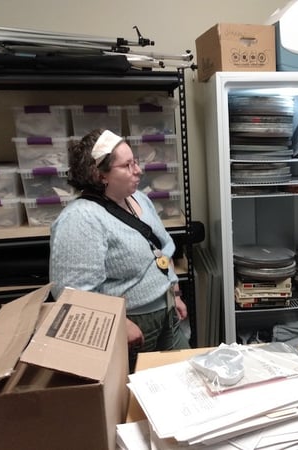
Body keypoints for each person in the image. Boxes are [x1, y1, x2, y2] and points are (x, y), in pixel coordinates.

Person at [49, 129, 190, 372]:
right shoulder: (82, 218)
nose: (138, 170)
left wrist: (173, 291)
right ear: (100, 174)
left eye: (135, 162)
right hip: (133, 326)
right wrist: (116, 324)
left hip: (167, 313)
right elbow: (72, 292)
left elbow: (161, 249)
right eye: (127, 165)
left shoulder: (138, 199)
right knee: (138, 398)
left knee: (184, 377)